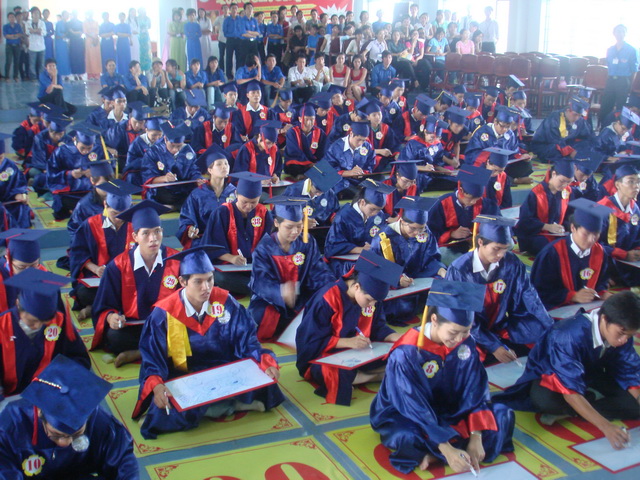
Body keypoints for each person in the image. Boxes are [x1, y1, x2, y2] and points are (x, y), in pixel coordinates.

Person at [132, 245, 284, 439]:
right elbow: (152, 358)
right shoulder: (163, 314)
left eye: (210, 279)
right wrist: (156, 385)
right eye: (198, 281)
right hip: (185, 376)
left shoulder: (225, 301)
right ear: (183, 282)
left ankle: (214, 409)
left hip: (225, 369)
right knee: (163, 408)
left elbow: (247, 340)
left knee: (267, 381)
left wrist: (264, 361)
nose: (206, 288)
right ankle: (232, 406)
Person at [370, 279, 515, 475]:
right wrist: (445, 447)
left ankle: (436, 455)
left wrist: (476, 436)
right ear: (435, 320)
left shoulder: (466, 343)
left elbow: (475, 388)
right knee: (407, 436)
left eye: (466, 332)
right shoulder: (406, 353)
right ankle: (445, 452)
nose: (459, 339)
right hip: (409, 413)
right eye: (454, 332)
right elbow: (411, 404)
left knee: (503, 414)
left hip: (453, 408)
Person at [495, 291, 640, 446]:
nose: (624, 340)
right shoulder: (566, 336)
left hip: (592, 372)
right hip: (554, 376)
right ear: (604, 319)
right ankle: (584, 405)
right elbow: (569, 390)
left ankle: (583, 407)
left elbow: (630, 371)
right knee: (546, 402)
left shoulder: (622, 333)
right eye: (621, 333)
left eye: (629, 335)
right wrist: (606, 427)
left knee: (635, 406)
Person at [0, 355, 138, 478]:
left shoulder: (100, 420)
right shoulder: (11, 425)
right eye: (56, 435)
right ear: (39, 413)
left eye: (77, 435)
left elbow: (124, 464)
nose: (65, 443)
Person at [296, 251, 403, 406]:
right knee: (336, 373)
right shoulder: (327, 299)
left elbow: (377, 327)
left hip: (361, 351)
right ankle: (375, 376)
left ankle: (363, 375)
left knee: (399, 353)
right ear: (357, 286)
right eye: (369, 300)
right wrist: (346, 342)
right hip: (324, 355)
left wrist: (394, 337)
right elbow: (308, 340)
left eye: (375, 302)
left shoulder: (372, 297)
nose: (372, 305)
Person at [446, 215, 552, 363]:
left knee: (539, 330)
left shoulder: (511, 262)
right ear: (480, 242)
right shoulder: (459, 269)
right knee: (464, 354)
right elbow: (458, 316)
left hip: (499, 322)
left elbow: (528, 295)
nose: (501, 255)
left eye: (505, 249)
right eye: (496, 249)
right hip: (468, 328)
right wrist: (494, 346)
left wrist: (548, 324)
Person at [90, 201, 178, 368]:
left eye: (157, 231)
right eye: (146, 233)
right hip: (133, 328)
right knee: (115, 337)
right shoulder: (117, 266)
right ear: (135, 236)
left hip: (167, 326)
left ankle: (138, 353)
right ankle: (159, 350)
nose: (153, 238)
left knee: (191, 331)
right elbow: (104, 305)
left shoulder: (176, 261)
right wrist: (111, 317)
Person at [249, 196, 335, 342]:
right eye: (289, 227)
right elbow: (260, 281)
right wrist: (281, 291)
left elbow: (318, 270)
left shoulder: (307, 242)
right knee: (260, 316)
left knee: (324, 303)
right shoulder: (264, 247)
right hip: (273, 300)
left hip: (302, 296)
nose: (295, 231)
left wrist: (331, 287)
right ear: (276, 223)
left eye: (299, 226)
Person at [0, 269, 89, 402]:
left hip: (49, 392)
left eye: (44, 321)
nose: (38, 326)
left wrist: (62, 381)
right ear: (18, 305)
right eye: (32, 321)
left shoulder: (59, 321)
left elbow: (78, 358)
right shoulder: (2, 326)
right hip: (9, 396)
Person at [69, 181, 138, 320]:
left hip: (129, 279)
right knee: (84, 293)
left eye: (123, 214)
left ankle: (96, 308)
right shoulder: (91, 224)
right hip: (100, 279)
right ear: (105, 205)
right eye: (115, 213)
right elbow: (77, 253)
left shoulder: (136, 226)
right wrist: (96, 269)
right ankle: (112, 307)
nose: (119, 218)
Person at [371, 196, 446, 322]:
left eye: (421, 228)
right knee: (400, 306)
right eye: (413, 228)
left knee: (444, 284)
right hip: (394, 285)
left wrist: (440, 269)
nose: (417, 233)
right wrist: (397, 278)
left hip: (418, 277)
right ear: (402, 221)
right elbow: (374, 267)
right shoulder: (383, 238)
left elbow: (431, 258)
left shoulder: (425, 233)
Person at [531, 198, 613, 310]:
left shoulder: (600, 252)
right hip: (556, 310)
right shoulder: (551, 253)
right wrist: (572, 296)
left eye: (596, 234)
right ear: (573, 228)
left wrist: (602, 293)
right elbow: (539, 291)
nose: (591, 239)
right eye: (586, 234)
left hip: (588, 308)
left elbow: (601, 282)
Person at [202, 172, 273, 295]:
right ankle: (262, 289)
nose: (249, 206)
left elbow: (270, 243)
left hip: (253, 266)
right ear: (236, 194)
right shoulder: (222, 213)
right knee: (219, 278)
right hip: (227, 266)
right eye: (244, 202)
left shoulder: (263, 213)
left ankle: (256, 287)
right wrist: (231, 258)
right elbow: (210, 246)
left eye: (254, 202)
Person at [427, 166, 500, 265]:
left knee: (506, 243)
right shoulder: (442, 203)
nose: (474, 202)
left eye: (477, 198)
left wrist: (481, 237)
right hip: (451, 246)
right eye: (470, 198)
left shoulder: (486, 204)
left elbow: (498, 228)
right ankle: (469, 265)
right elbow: (430, 233)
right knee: (442, 253)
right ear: (461, 190)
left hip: (479, 246)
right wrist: (451, 234)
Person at [325, 179, 392, 276]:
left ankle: (400, 279)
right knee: (372, 270)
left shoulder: (379, 215)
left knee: (391, 264)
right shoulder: (343, 216)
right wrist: (360, 249)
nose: (375, 213)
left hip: (369, 257)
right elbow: (332, 246)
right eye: (373, 209)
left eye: (379, 210)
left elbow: (381, 237)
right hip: (345, 261)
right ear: (362, 202)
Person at [515, 160, 575, 255]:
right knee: (552, 249)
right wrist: (546, 226)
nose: (565, 185)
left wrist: (564, 227)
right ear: (554, 174)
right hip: (536, 235)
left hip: (558, 234)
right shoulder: (537, 193)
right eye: (562, 181)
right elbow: (524, 221)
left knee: (574, 245)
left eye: (569, 182)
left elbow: (569, 215)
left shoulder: (567, 192)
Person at [47, 126, 106, 220]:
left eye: (89, 148)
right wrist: (69, 174)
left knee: (102, 201)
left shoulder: (99, 150)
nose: (85, 151)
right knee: (62, 205)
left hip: (91, 190)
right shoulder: (62, 151)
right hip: (69, 192)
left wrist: (95, 172)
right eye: (82, 148)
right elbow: (51, 174)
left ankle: (77, 210)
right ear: (75, 140)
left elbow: (109, 169)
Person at [178, 152, 236, 248]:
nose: (224, 167)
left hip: (230, 239)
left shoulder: (234, 192)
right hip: (204, 239)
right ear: (210, 170)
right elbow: (187, 218)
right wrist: (190, 229)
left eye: (226, 164)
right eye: (219, 164)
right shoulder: (197, 194)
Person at [141, 122, 203, 209]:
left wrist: (198, 179)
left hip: (182, 189)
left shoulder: (188, 151)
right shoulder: (153, 152)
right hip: (163, 188)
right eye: (172, 145)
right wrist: (164, 178)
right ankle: (177, 206)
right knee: (163, 195)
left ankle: (172, 207)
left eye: (179, 146)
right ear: (165, 139)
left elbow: (194, 170)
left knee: (197, 193)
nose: (175, 150)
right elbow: (148, 177)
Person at [598, 164, 640, 286]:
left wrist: (637, 252)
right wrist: (623, 254)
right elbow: (594, 244)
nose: (636, 186)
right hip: (606, 260)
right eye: (631, 182)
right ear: (617, 185)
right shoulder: (602, 208)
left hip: (628, 261)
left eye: (638, 182)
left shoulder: (635, 209)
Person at [65, 161, 115, 248]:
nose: (108, 188)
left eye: (111, 183)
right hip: (95, 246)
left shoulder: (120, 199)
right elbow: (74, 231)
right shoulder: (84, 205)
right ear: (92, 181)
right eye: (103, 184)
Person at [531, 97, 593, 163]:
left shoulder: (580, 120)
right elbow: (554, 141)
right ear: (568, 110)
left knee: (588, 148)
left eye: (580, 115)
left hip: (568, 145)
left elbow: (588, 136)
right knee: (555, 152)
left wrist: (577, 148)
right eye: (575, 115)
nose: (577, 118)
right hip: (547, 145)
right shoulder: (554, 119)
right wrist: (570, 151)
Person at [283, 159, 341, 228]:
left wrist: (334, 218)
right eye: (317, 190)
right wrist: (301, 222)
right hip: (299, 230)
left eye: (322, 192)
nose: (318, 194)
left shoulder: (329, 193)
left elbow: (334, 211)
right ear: (309, 181)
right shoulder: (292, 192)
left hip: (322, 229)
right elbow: (282, 217)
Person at [324, 121, 376, 194]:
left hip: (360, 181)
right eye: (358, 140)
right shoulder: (336, 147)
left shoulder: (367, 146)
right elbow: (329, 169)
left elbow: (370, 165)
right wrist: (349, 173)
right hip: (341, 182)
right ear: (351, 134)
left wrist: (361, 173)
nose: (360, 143)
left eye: (363, 140)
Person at [600, 25, 639, 123]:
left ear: (625, 34)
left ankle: (619, 128)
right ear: (614, 33)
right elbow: (609, 66)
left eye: (622, 31)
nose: (620, 34)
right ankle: (603, 127)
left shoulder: (632, 50)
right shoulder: (610, 49)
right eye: (618, 31)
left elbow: (634, 70)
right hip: (611, 80)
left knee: (620, 107)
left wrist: (630, 86)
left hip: (623, 81)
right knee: (605, 105)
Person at [30, 117, 72, 195]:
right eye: (54, 134)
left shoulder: (67, 140)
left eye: (61, 134)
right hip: (44, 168)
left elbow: (71, 160)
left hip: (60, 169)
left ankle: (52, 191)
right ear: (49, 131)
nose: (58, 137)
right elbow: (39, 158)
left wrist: (64, 150)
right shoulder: (40, 138)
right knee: (35, 173)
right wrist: (49, 169)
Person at [283, 103, 327, 177]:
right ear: (300, 119)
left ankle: (308, 174)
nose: (309, 122)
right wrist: (309, 164)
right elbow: (294, 151)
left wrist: (317, 163)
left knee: (326, 166)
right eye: (306, 119)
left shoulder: (320, 133)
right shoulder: (292, 132)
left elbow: (322, 152)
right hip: (297, 161)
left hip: (313, 162)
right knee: (294, 167)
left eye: (312, 119)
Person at [0, 133, 30, 228]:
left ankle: (17, 233)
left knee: (20, 207)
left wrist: (18, 194)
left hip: (7, 200)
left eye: (0, 157)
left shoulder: (10, 166)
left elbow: (19, 184)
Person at [124, 116, 164, 186]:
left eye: (160, 135)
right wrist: (149, 161)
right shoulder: (137, 143)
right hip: (140, 171)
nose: (157, 138)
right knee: (131, 177)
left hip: (158, 171)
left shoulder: (164, 141)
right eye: (154, 135)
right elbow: (130, 164)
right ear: (146, 130)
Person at [26, 7, 46, 80]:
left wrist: (34, 31)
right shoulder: (28, 23)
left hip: (41, 46)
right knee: (32, 64)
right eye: (34, 13)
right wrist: (37, 30)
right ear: (32, 14)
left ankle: (41, 77)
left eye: (37, 13)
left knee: (41, 64)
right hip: (32, 46)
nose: (36, 15)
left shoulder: (42, 23)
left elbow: (43, 32)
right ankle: (33, 77)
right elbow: (28, 32)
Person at [223, 3, 241, 78]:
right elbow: (224, 31)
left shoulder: (240, 19)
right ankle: (229, 75)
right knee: (229, 58)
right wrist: (231, 35)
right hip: (230, 40)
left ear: (237, 10)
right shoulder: (227, 19)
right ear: (230, 10)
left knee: (239, 58)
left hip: (239, 40)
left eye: (236, 8)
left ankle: (238, 74)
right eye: (233, 8)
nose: (234, 10)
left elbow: (242, 30)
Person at [84, 12, 102, 80]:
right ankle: (90, 74)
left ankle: (97, 74)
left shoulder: (96, 22)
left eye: (91, 14)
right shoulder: (85, 22)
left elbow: (98, 30)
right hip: (89, 40)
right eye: (89, 14)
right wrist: (91, 36)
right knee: (89, 57)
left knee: (96, 57)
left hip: (96, 40)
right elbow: (85, 32)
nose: (90, 15)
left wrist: (95, 36)